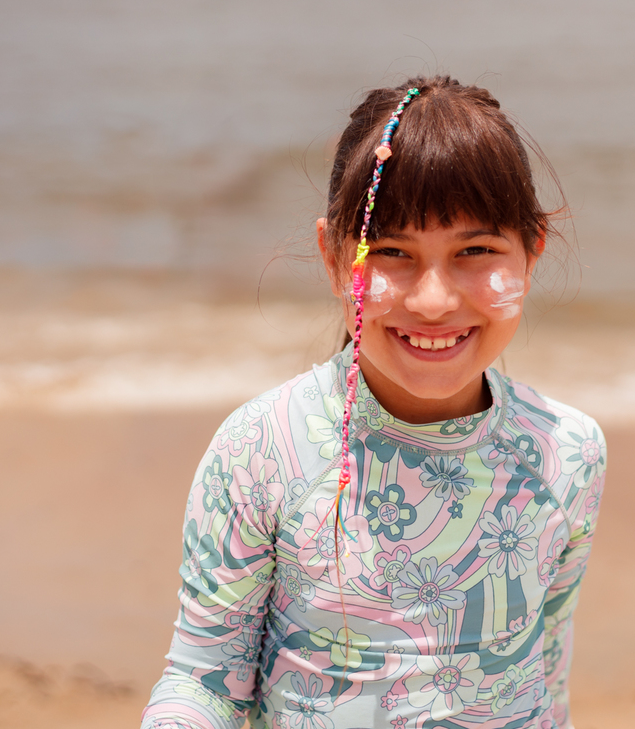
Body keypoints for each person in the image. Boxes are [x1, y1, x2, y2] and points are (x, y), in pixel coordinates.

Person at [140, 74, 606, 729]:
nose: (434, 300)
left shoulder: (569, 451)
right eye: (391, 252)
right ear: (335, 261)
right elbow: (205, 680)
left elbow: (546, 679)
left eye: (476, 250)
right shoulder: (263, 448)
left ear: (532, 252)